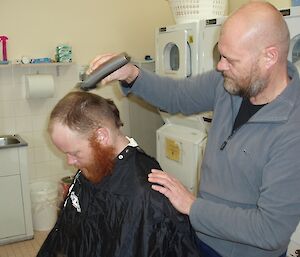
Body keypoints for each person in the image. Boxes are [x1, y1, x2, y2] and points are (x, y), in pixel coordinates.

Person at [87, 1, 300, 257]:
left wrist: (192, 206)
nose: (220, 66)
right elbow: (177, 95)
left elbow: (269, 230)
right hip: (201, 235)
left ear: (269, 57)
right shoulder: (231, 83)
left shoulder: (293, 129)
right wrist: (131, 73)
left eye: (230, 59)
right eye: (221, 55)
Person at [37, 91, 201, 257]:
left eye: (75, 153)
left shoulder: (145, 193)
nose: (69, 162)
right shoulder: (91, 169)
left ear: (101, 136)